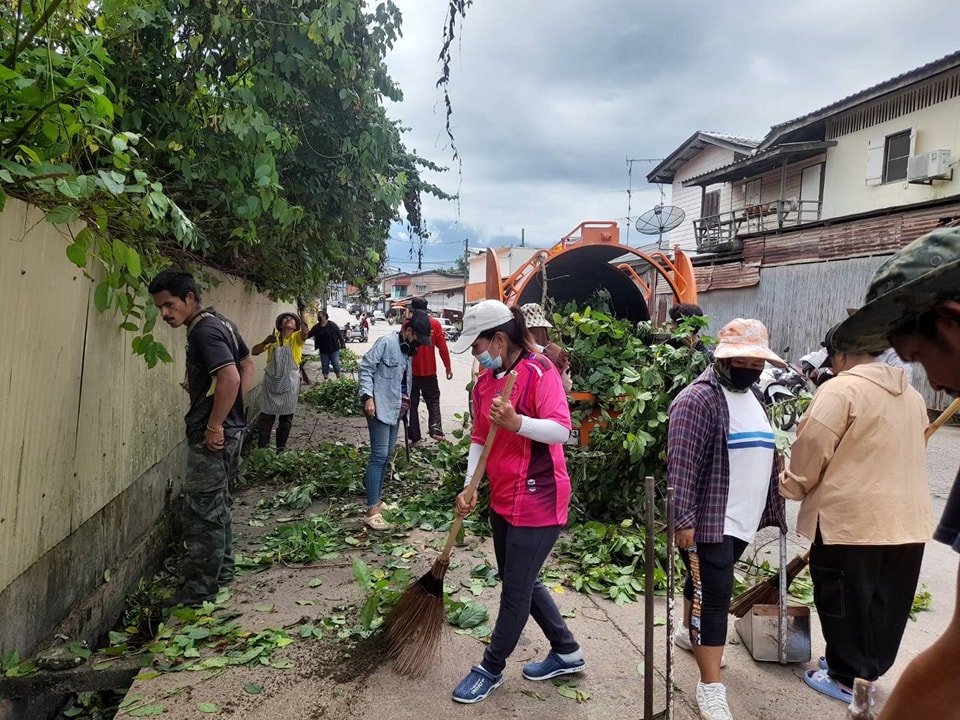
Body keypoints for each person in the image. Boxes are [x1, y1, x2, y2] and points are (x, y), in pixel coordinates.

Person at [830, 226, 960, 720]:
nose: (934, 383)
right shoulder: (904, 397)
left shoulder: (839, 392)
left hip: (854, 523)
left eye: (920, 357)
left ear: (949, 321)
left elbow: (955, 665)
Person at [781, 323, 932, 703]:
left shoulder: (841, 389)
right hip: (907, 523)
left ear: (842, 354)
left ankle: (846, 677)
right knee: (887, 600)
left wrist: (791, 485)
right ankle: (867, 671)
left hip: (850, 521)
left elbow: (812, 446)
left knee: (841, 598)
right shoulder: (912, 397)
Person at [449, 300, 584, 704]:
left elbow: (562, 430)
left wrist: (517, 423)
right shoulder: (484, 384)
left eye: (478, 347)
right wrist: (470, 485)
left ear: (500, 339)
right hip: (503, 497)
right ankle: (567, 651)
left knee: (515, 589)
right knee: (520, 580)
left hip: (541, 496)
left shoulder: (539, 372)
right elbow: (478, 437)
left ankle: (490, 667)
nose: (477, 355)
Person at [667, 318, 788, 720]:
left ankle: (687, 634)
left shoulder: (753, 395)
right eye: (744, 361)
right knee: (714, 599)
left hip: (740, 521)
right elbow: (681, 467)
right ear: (723, 358)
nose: (751, 369)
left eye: (757, 363)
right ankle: (710, 685)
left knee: (699, 582)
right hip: (710, 521)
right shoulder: (696, 400)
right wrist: (683, 520)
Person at [148, 269, 254, 607]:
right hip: (231, 430)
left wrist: (214, 425)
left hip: (214, 437)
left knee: (201, 512)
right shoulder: (220, 322)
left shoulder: (204, 331)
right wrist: (230, 412)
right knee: (217, 505)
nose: (164, 313)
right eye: (159, 308)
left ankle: (198, 592)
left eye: (169, 304)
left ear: (190, 298)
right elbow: (246, 363)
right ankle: (222, 573)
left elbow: (231, 377)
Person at [358, 310, 432, 530]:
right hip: (378, 408)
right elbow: (366, 368)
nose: (419, 344)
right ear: (408, 331)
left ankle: (378, 502)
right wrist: (368, 397)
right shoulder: (387, 343)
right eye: (417, 338)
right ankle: (371, 510)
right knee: (378, 457)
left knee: (387, 456)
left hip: (396, 411)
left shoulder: (407, 351)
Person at [251, 307, 309, 451]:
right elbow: (254, 352)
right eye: (285, 318)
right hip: (271, 383)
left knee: (286, 418)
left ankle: (280, 450)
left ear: (296, 326)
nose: (288, 319)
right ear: (280, 324)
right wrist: (265, 342)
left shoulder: (296, 338)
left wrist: (303, 318)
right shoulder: (273, 338)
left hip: (290, 384)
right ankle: (263, 451)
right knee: (266, 418)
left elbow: (305, 333)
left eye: (291, 319)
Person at [406, 297, 453, 444]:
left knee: (411, 404)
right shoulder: (435, 324)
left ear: (413, 309)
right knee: (433, 400)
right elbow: (443, 348)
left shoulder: (407, 325)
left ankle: (415, 437)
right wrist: (448, 367)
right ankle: (435, 429)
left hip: (411, 374)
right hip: (429, 372)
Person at [520, 302, 573, 393]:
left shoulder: (516, 353)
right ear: (544, 329)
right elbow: (566, 385)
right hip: (551, 402)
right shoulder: (557, 353)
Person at [307, 310, 346, 381]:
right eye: (318, 316)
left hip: (334, 348)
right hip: (323, 350)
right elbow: (308, 335)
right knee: (325, 364)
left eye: (320, 316)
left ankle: (339, 378)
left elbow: (339, 335)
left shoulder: (332, 325)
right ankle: (326, 379)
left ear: (325, 316)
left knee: (335, 363)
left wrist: (342, 344)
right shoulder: (316, 327)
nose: (319, 317)